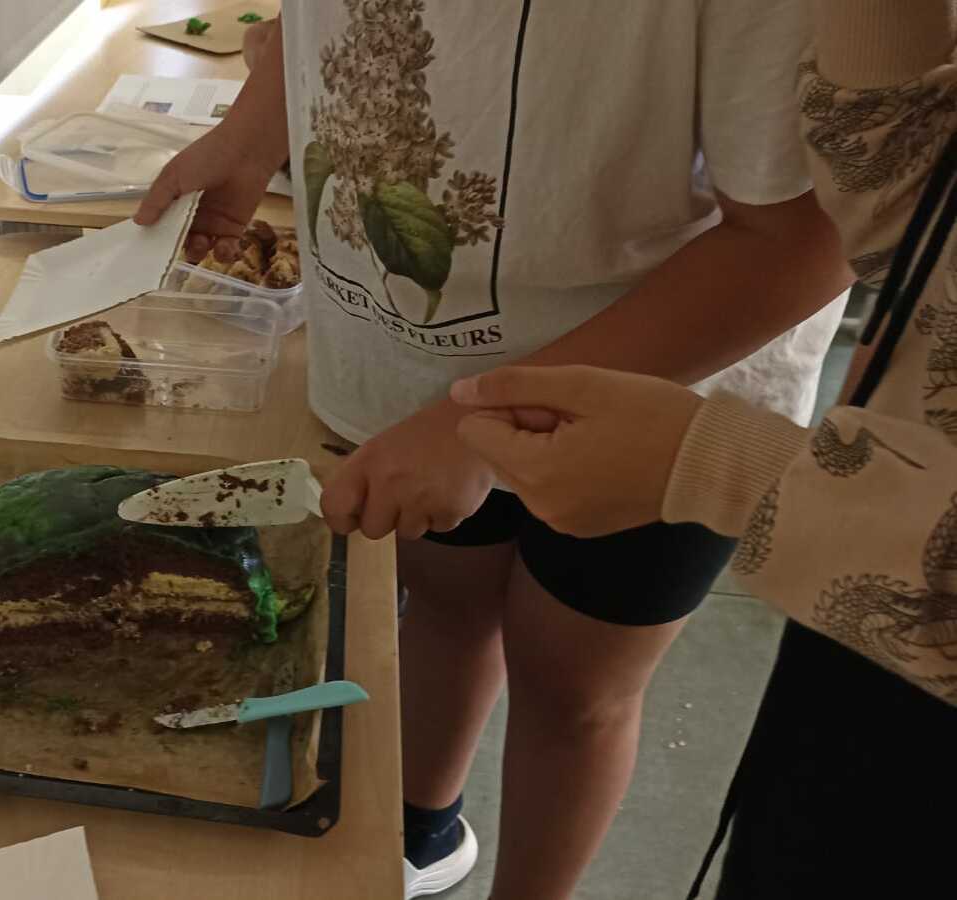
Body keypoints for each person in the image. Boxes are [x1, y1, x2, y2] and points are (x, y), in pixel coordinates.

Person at [135, 2, 852, 896]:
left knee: (575, 688)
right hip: (414, 364)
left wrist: (475, 418)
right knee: (446, 606)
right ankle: (420, 834)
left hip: (662, 385)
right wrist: (250, 135)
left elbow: (805, 240)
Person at [447, 2, 957, 896]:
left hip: (892, 617)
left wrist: (723, 470)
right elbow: (896, 191)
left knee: (578, 685)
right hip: (868, 660)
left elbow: (808, 239)